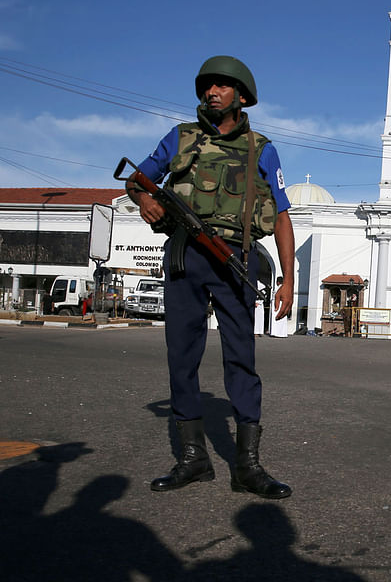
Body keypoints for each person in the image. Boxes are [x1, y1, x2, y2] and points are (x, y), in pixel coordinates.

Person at [125, 55, 294, 500]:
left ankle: (248, 466)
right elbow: (138, 179)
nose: (210, 93)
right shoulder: (180, 138)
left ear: (241, 96)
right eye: (206, 87)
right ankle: (193, 459)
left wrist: (289, 280)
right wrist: (144, 200)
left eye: (221, 87)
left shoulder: (262, 147)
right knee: (182, 355)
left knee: (241, 358)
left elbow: (281, 217)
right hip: (185, 255)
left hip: (234, 258)